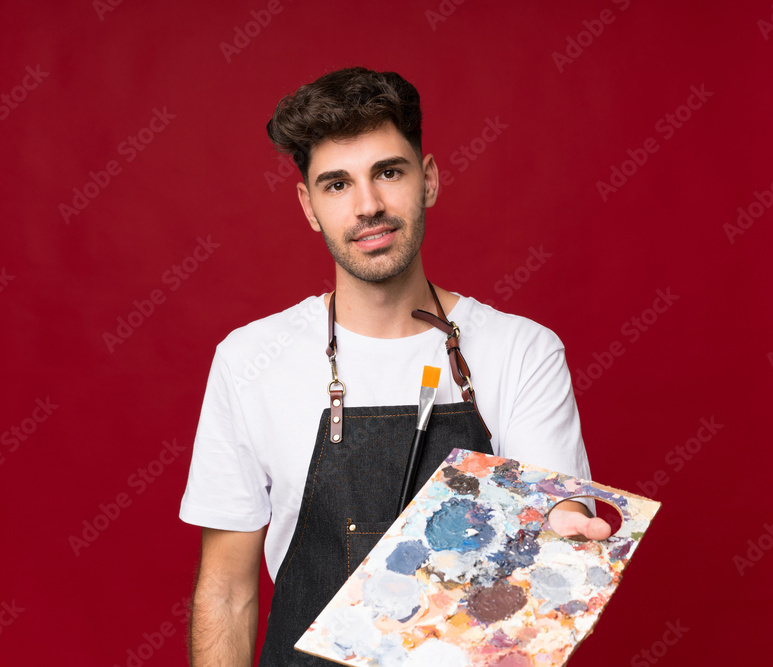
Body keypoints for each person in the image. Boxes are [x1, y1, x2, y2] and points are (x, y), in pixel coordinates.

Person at [179, 66, 611, 666]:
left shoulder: (522, 351)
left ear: (428, 179)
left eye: (389, 172)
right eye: (336, 184)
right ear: (308, 206)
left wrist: (561, 530)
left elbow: (549, 532)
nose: (369, 206)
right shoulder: (250, 360)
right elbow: (225, 594)